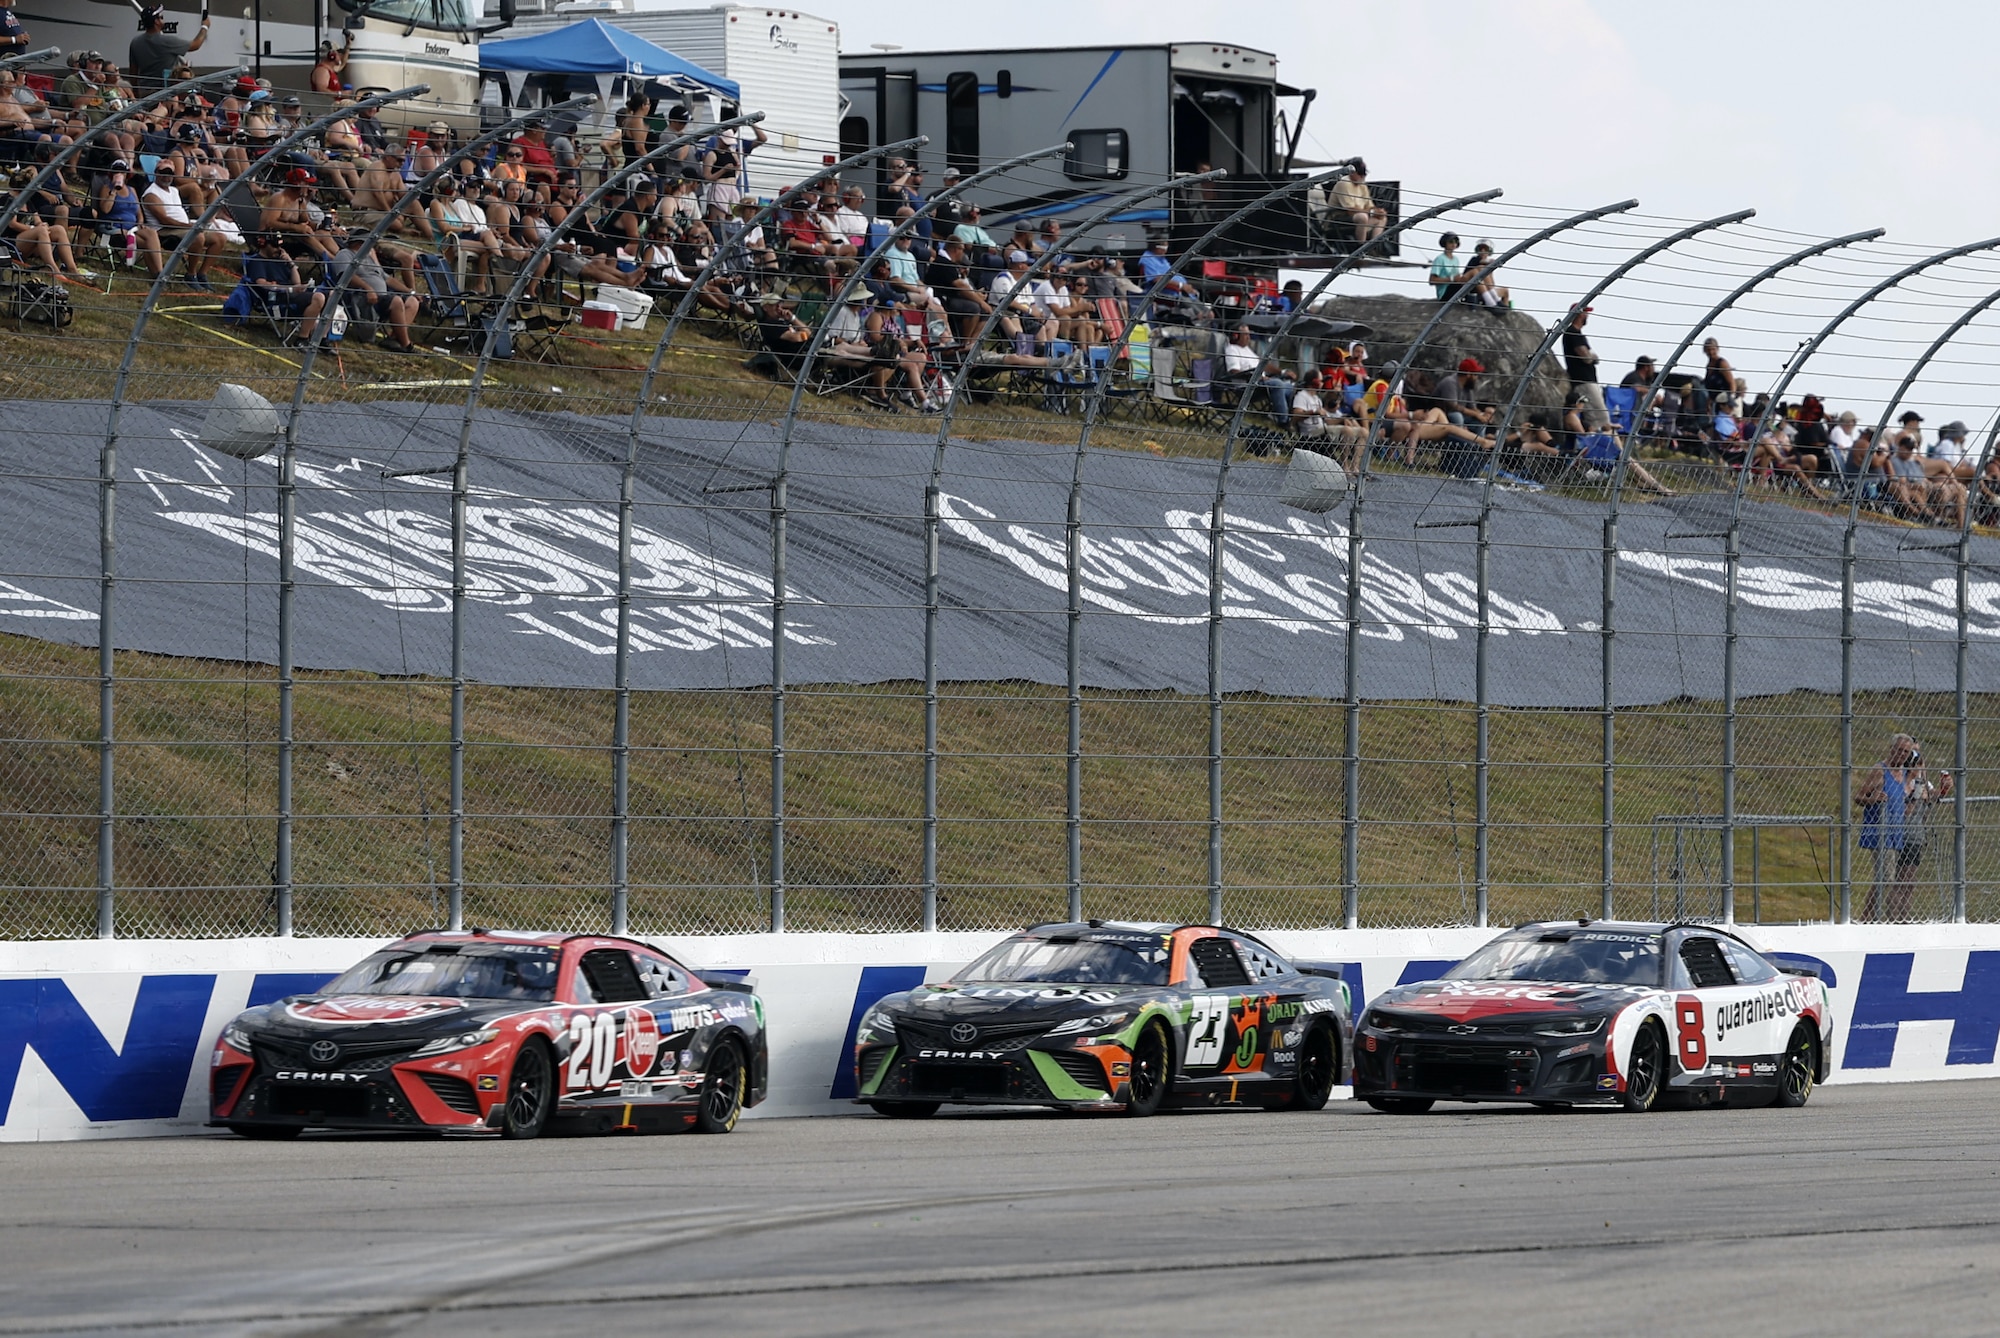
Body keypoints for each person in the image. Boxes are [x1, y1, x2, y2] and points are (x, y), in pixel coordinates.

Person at [1857, 733, 1950, 920]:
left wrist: (1939, 789)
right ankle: (1867, 919)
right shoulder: (1880, 770)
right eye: (1899, 750)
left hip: (1897, 832)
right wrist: (1873, 799)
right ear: (1891, 749)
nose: (1902, 755)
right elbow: (1859, 797)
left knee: (1890, 879)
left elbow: (1909, 807)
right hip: (1880, 830)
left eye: (1906, 752)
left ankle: (1871, 918)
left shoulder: (1904, 775)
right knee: (1887, 878)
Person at [129, 4, 211, 92]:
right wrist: (205, 26)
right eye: (161, 17)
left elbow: (133, 74)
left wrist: (136, 96)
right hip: (164, 94)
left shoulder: (135, 42)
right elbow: (196, 44)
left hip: (145, 93)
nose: (163, 19)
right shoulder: (167, 41)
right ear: (156, 21)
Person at [1562, 307, 1607, 429]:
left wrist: (1590, 356)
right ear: (1580, 314)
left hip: (1587, 380)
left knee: (1598, 418)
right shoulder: (1572, 333)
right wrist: (1591, 356)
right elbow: (1586, 357)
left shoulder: (1578, 334)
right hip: (1583, 381)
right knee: (1600, 419)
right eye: (1586, 313)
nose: (1588, 315)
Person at [1329, 159, 1384, 243]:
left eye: (1364, 174)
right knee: (1362, 217)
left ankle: (1373, 246)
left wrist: (1378, 211)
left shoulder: (1362, 185)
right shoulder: (1344, 183)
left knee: (1381, 218)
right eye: (1360, 174)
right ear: (1352, 172)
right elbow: (1350, 210)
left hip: (1358, 216)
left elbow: (1369, 205)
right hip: (1339, 218)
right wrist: (1372, 212)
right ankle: (1361, 246)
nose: (1363, 177)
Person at [1428, 232, 1461, 301]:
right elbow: (1432, 280)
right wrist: (1451, 279)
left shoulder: (1456, 259)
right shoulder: (1440, 259)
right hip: (1444, 293)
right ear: (1445, 243)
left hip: (1455, 290)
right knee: (1472, 274)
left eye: (1456, 242)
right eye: (1451, 241)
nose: (1453, 244)